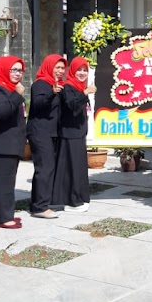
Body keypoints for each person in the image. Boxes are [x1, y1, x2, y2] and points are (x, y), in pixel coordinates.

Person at [0, 56, 27, 229]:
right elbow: (2, 112)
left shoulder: (8, 89)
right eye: (14, 70)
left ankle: (6, 214)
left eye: (20, 70)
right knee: (3, 182)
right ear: (4, 69)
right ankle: (3, 218)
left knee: (9, 182)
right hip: (3, 144)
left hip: (10, 143)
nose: (17, 74)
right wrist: (17, 95)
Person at [53, 57, 96, 212]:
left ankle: (75, 198)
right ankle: (73, 200)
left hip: (77, 133)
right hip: (70, 133)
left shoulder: (78, 87)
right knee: (72, 168)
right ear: (72, 71)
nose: (82, 73)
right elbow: (71, 105)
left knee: (76, 167)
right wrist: (85, 92)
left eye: (85, 70)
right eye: (79, 70)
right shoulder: (68, 87)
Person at [27, 54, 67, 219]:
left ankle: (38, 203)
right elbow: (37, 105)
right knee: (45, 168)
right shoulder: (41, 84)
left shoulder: (56, 85)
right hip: (40, 132)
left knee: (45, 168)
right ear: (49, 67)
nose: (60, 71)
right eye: (57, 67)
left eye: (62, 68)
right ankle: (40, 207)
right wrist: (51, 93)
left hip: (50, 133)